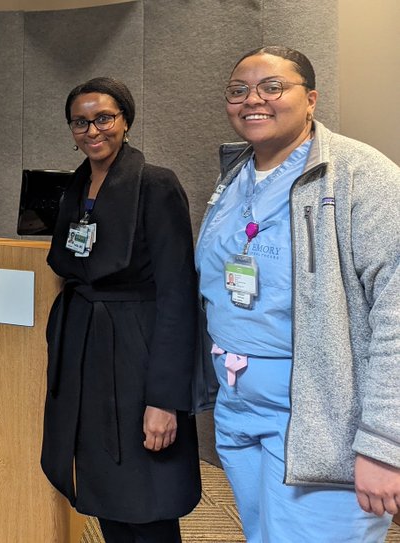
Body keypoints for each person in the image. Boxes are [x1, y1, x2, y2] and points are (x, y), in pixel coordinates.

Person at [195, 46, 400, 542]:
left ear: (310, 99)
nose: (253, 100)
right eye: (238, 90)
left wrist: (383, 443)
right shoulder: (236, 175)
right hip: (238, 404)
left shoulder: (363, 176)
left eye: (272, 87)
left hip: (321, 417)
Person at [42, 77, 201, 543]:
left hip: (139, 352)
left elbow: (177, 296)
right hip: (87, 352)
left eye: (104, 118)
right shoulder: (75, 185)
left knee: (145, 490)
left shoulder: (156, 185)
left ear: (125, 122)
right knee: (104, 484)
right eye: (80, 122)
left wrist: (165, 400)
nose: (93, 131)